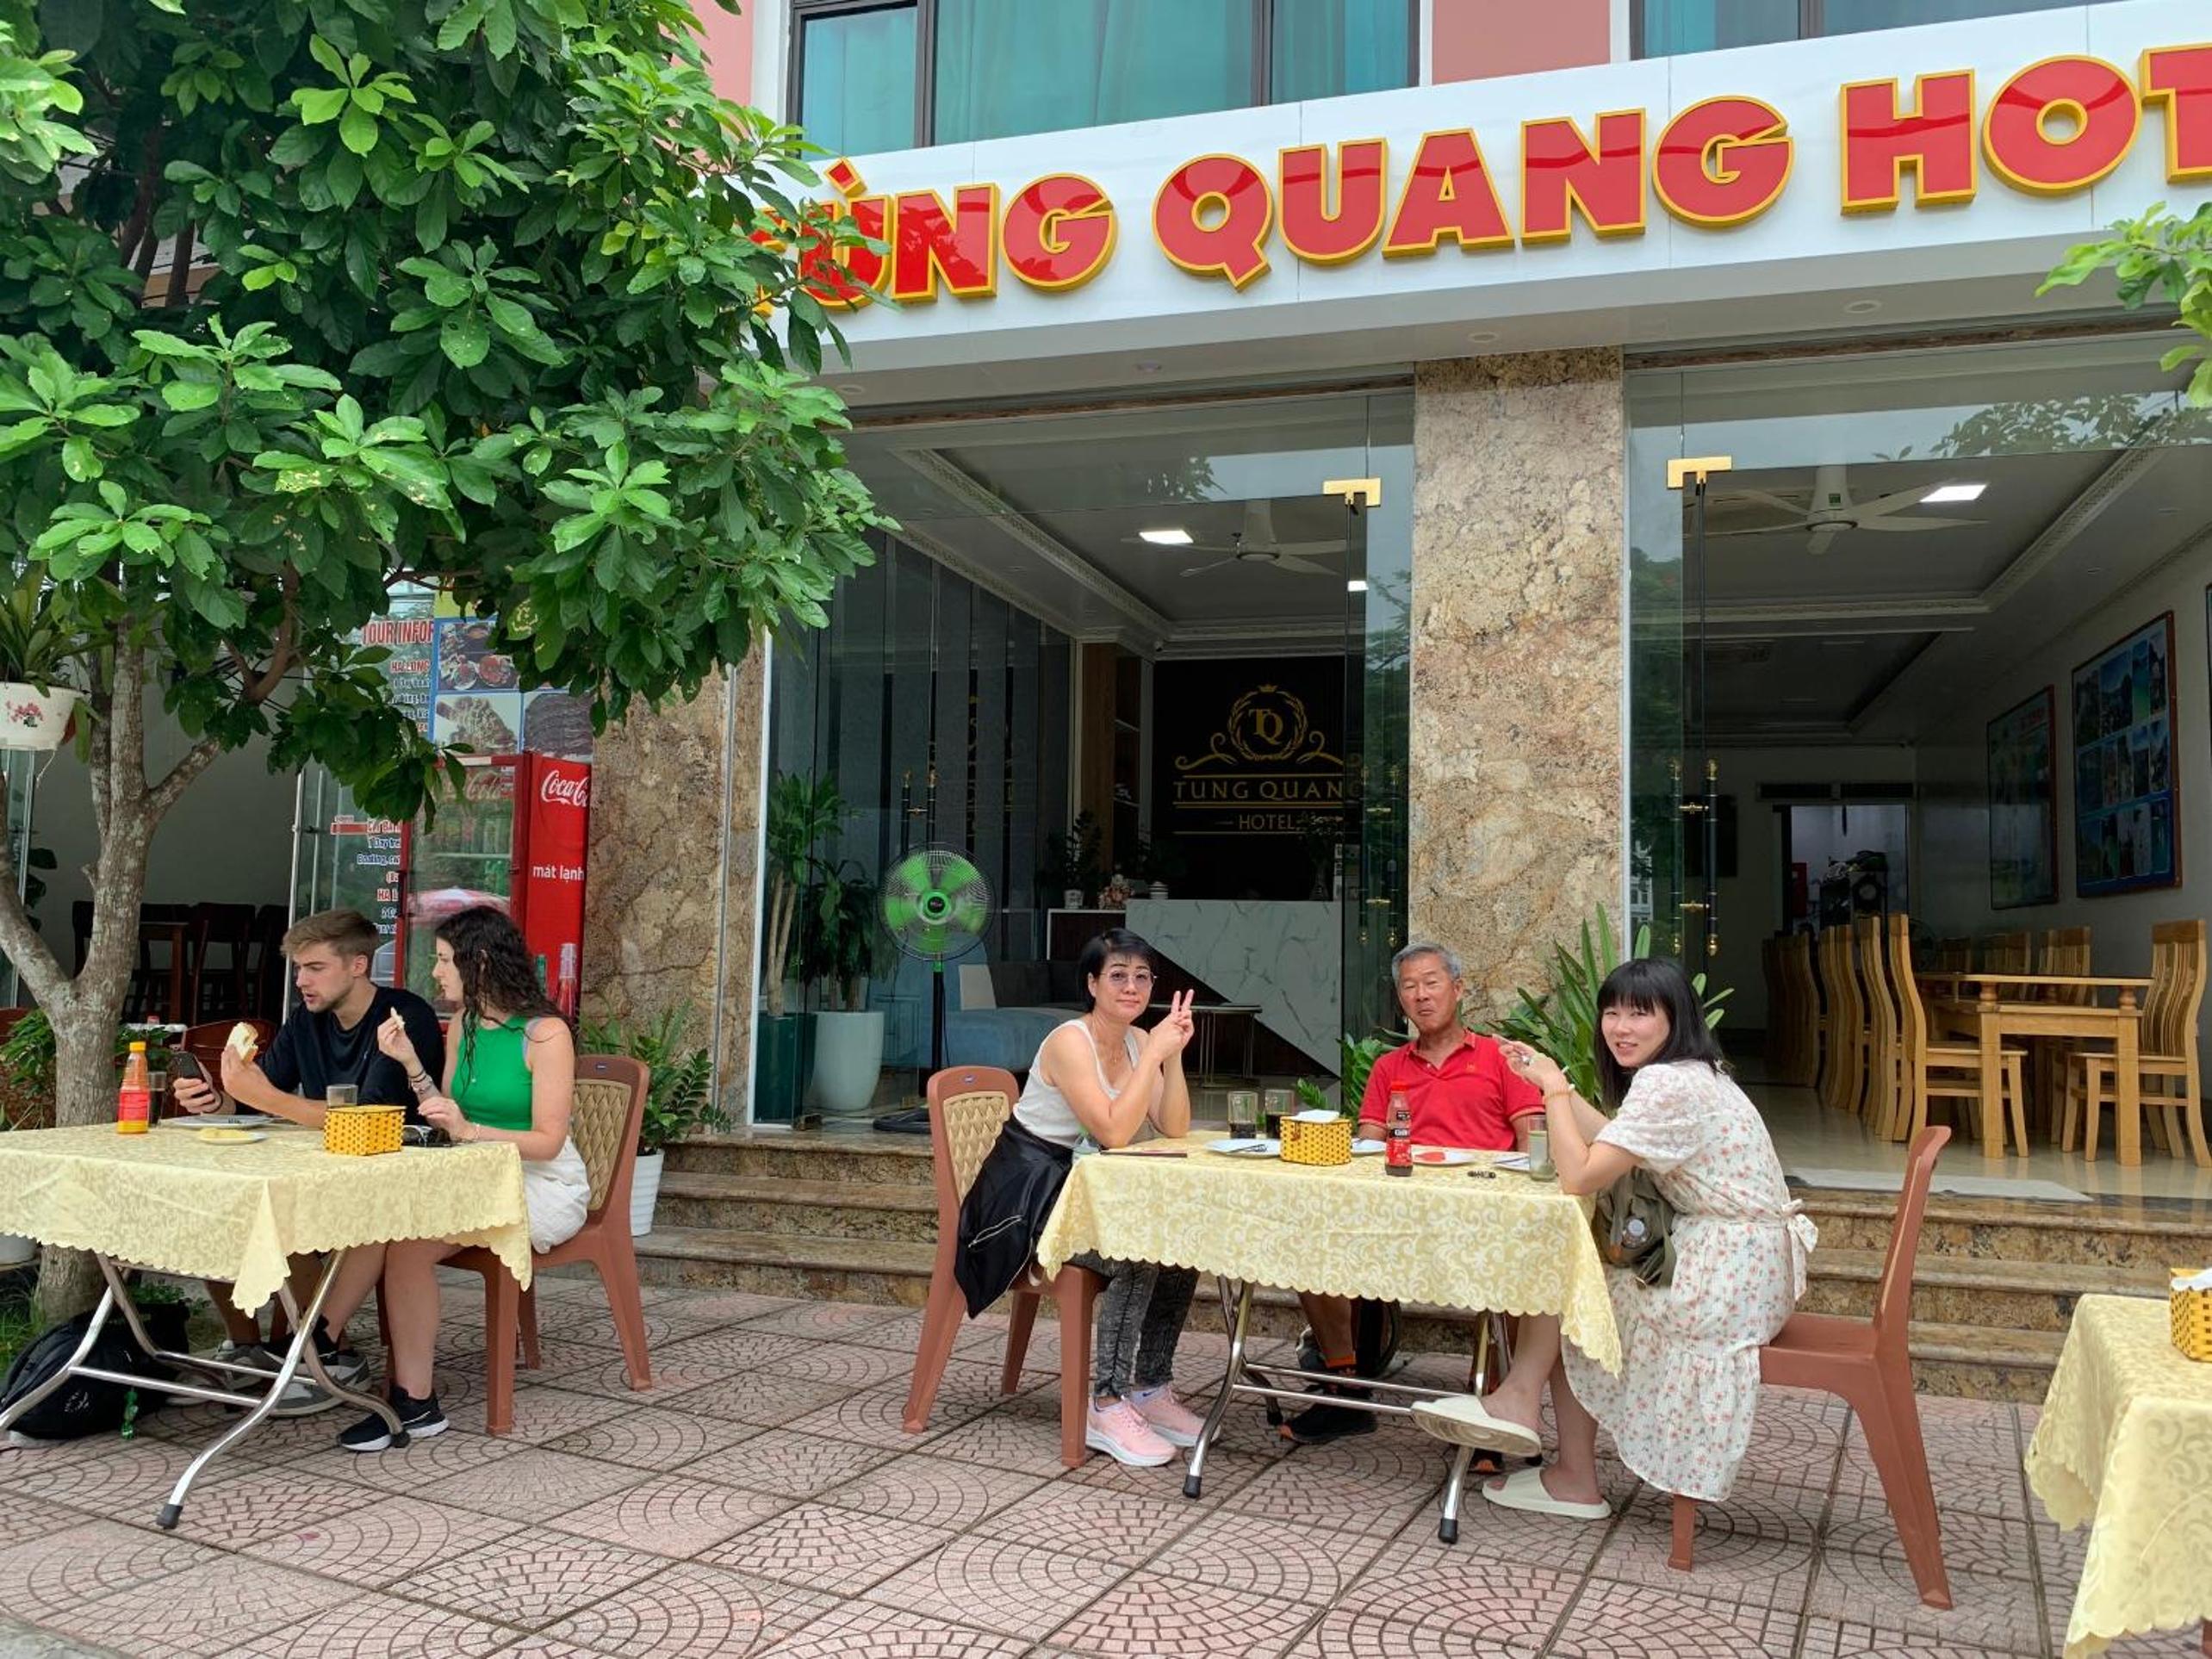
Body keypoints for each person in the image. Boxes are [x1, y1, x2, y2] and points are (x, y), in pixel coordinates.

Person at [1409, 957, 1816, 1518]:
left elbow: (1579, 1175)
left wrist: (1554, 1092)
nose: (1621, 1028)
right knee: (1577, 1286)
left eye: (1639, 1014)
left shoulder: (1669, 1083)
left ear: (1676, 1018)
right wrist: (1550, 1080)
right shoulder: (1694, 1073)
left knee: (1576, 1294)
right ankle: (1543, 1435)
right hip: (1747, 1267)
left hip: (1729, 1279)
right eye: (1612, 1013)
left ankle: (1541, 1431)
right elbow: (1616, 1140)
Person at [302, 905, 593, 1451]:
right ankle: (319, 1342)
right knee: (384, 1215)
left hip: (539, 1182)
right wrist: (411, 1062)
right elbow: (446, 1111)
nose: (434, 972)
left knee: (409, 1245)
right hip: (473, 1173)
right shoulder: (465, 1024)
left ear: (477, 961)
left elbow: (548, 1142)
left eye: (442, 960)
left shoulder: (546, 1034)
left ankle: (405, 1398)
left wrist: (470, 1130)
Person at [954, 928, 1208, 1469]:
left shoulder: (1137, 1042)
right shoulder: (1070, 1042)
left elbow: (1175, 1126)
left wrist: (1173, 1057)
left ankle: (1150, 1388)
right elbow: (1114, 1131)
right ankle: (1106, 1404)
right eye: (1117, 976)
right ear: (1092, 984)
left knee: (1181, 1247)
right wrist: (1153, 1054)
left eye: (1142, 977)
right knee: (1135, 1252)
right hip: (1021, 1204)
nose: (1131, 987)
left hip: (1075, 1192)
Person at [174, 907, 446, 1408]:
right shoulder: (306, 1020)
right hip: (323, 1167)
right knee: (223, 1202)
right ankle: (247, 1347)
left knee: (284, 1220)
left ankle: (328, 1353)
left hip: (389, 1180)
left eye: (315, 968)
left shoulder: (402, 1020)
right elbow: (260, 1099)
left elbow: (369, 1117)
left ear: (358, 965)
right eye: (298, 968)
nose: (301, 981)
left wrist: (266, 1098)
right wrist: (218, 1099)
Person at [1280, 941, 1543, 1447]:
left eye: (1431, 983)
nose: (1421, 995)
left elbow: (1533, 1146)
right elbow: (1368, 1148)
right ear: (1400, 998)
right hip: (1398, 1217)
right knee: (1308, 1244)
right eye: (1409, 986)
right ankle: (1344, 1387)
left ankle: (1491, 1403)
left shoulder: (1500, 1058)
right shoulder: (1389, 1067)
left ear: (1458, 989)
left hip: (1481, 1214)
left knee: (1518, 1262)